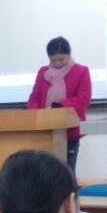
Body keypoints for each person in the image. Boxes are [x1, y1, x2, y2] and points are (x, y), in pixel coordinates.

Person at [27, 36, 91, 171]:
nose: (57, 63)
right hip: (44, 131)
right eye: (53, 60)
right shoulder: (43, 72)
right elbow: (34, 97)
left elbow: (83, 99)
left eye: (61, 59)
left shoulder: (81, 71)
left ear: (69, 55)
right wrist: (36, 113)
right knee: (44, 173)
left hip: (69, 132)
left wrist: (58, 107)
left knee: (67, 171)